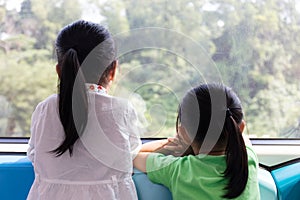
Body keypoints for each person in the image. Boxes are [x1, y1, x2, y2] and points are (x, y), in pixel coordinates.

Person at [27, 20, 141, 200]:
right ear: (113, 70)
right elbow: (131, 152)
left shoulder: (45, 109)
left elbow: (34, 154)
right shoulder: (121, 110)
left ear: (59, 70)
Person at [134, 83, 260, 199]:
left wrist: (172, 146)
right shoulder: (249, 160)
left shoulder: (177, 170)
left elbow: (134, 155)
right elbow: (241, 135)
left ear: (183, 132)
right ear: (240, 128)